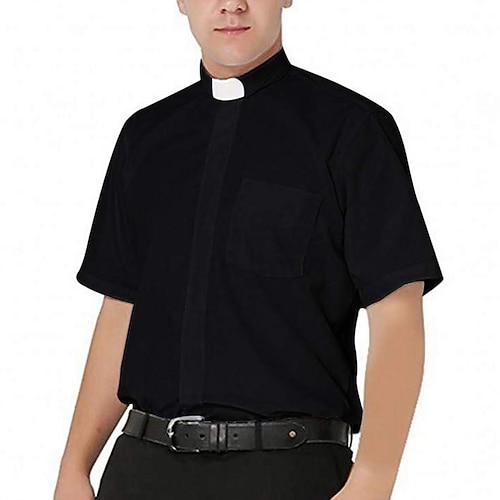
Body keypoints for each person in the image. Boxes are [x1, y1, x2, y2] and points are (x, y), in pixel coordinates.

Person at [54, 1, 444, 499]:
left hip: (289, 472)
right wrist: (74, 466)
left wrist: (373, 477)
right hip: (140, 470)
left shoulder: (351, 130)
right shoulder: (144, 137)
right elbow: (122, 310)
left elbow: (396, 313)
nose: (231, 4)